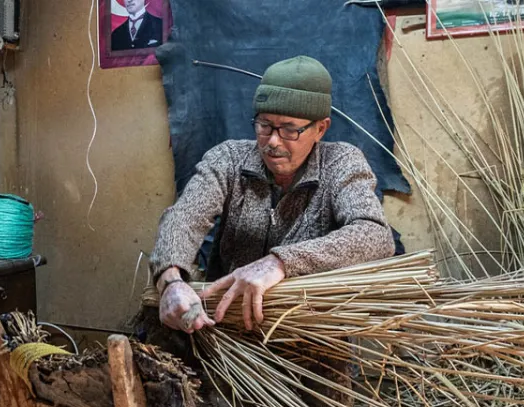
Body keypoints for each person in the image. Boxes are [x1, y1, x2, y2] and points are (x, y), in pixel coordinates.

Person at [150, 55, 396, 334]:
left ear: (320, 128)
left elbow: (375, 236)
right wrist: (170, 280)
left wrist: (279, 262)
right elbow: (184, 218)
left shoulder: (341, 163)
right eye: (265, 125)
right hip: (226, 332)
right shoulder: (229, 159)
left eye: (290, 129)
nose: (273, 141)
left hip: (310, 337)